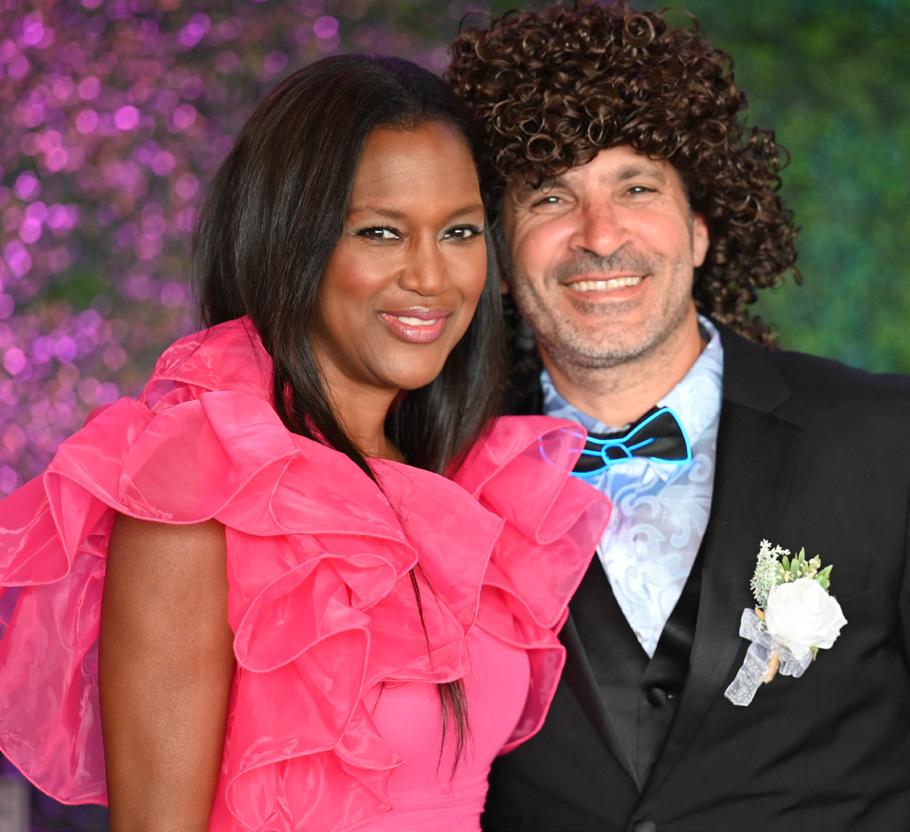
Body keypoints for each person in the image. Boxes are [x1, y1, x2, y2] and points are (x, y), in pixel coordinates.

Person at [0, 55, 610, 831]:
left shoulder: (464, 488)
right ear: (293, 242)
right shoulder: (196, 491)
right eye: (381, 233)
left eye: (458, 231)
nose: (432, 277)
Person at [446, 3, 910, 830]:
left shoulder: (888, 440)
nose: (599, 236)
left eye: (636, 187)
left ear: (699, 229)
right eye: (550, 197)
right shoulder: (436, 481)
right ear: (501, 259)